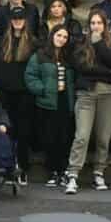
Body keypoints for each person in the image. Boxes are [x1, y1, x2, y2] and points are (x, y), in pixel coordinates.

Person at [65, 10, 111, 195]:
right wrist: (105, 71)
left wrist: (99, 44)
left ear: (105, 26)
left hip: (109, 94)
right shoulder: (81, 44)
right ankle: (72, 174)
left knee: (104, 137)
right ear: (88, 26)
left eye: (99, 23)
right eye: (93, 23)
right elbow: (82, 67)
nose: (96, 26)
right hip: (86, 93)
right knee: (82, 135)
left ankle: (99, 172)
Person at [24, 25, 77, 186]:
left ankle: (62, 171)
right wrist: (43, 90)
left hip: (64, 102)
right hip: (47, 103)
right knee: (49, 138)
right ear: (52, 35)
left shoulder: (69, 57)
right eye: (58, 35)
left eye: (64, 37)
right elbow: (30, 76)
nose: (61, 39)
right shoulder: (40, 55)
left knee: (64, 138)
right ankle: (52, 172)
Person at [0, 7, 37, 183]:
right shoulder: (3, 41)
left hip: (24, 93)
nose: (18, 22)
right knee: (6, 130)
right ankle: (8, 166)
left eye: (21, 18)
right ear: (10, 21)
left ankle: (23, 168)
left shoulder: (33, 42)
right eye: (15, 19)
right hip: (5, 92)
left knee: (24, 132)